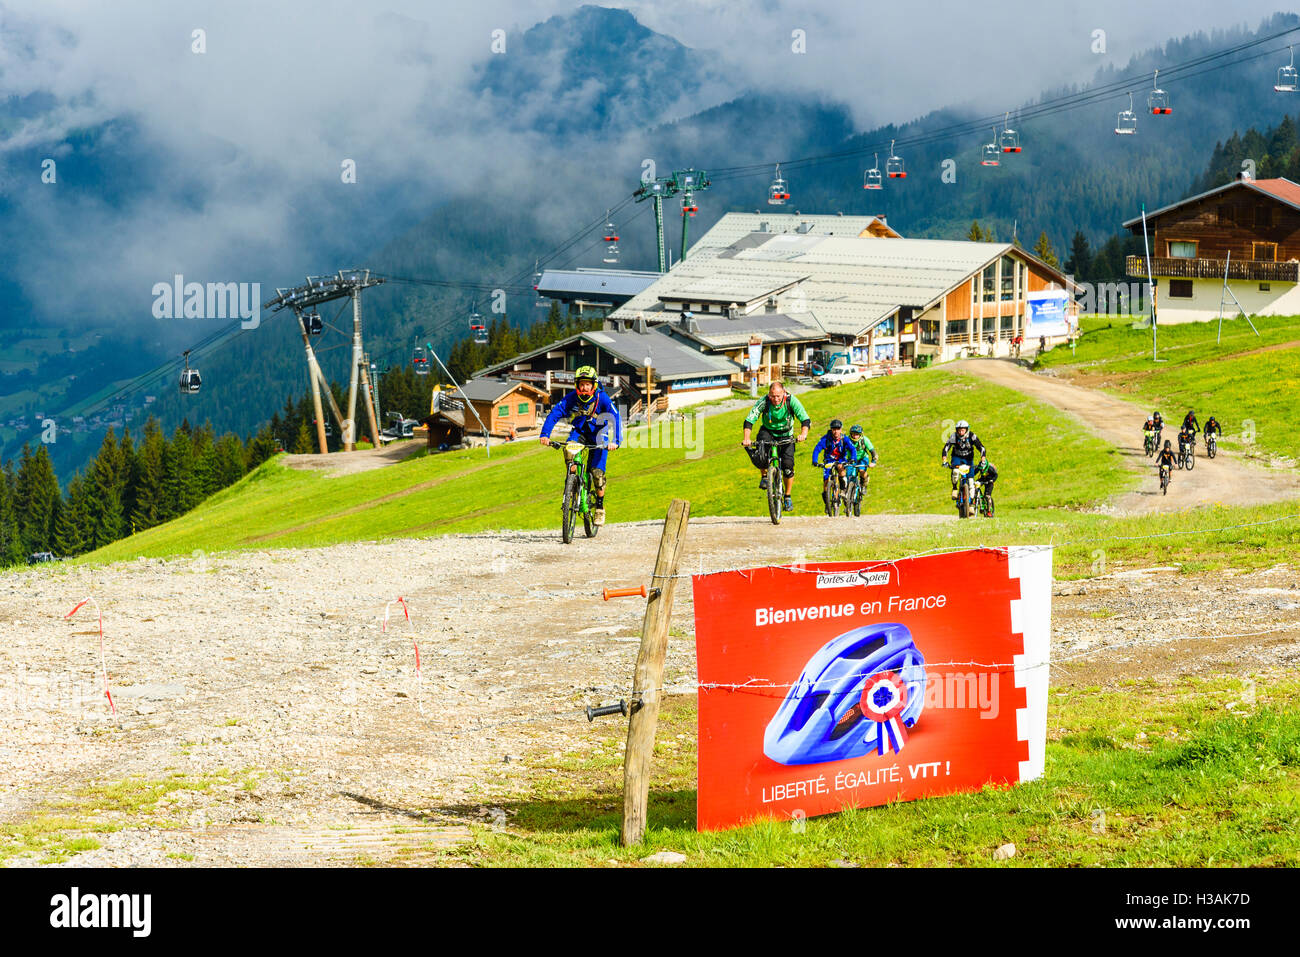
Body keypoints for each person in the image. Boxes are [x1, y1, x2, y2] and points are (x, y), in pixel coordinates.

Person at [539, 366, 621, 525]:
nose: (584, 387)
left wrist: (616, 441)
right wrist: (545, 434)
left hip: (599, 436)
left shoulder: (602, 398)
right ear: (577, 385)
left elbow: (616, 418)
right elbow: (555, 413)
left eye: (587, 384)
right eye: (581, 384)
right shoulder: (571, 398)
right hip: (579, 433)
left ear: (594, 385)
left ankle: (599, 507)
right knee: (569, 450)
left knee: (597, 474)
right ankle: (572, 481)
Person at [742, 380, 811, 513]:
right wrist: (746, 438)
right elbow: (750, 419)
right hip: (768, 431)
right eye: (773, 396)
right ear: (769, 395)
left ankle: (787, 496)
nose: (776, 399)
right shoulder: (764, 401)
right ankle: (764, 476)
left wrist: (803, 434)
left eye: (778, 396)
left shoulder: (792, 401)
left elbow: (805, 419)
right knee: (760, 454)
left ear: (784, 393)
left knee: (788, 466)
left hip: (786, 434)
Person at [812, 419, 858, 515]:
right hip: (828, 461)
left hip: (840, 460)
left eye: (838, 429)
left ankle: (842, 490)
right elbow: (817, 449)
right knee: (825, 483)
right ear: (831, 429)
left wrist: (853, 458)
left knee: (841, 469)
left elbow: (852, 449)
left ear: (841, 429)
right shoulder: (826, 438)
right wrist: (815, 461)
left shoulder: (844, 439)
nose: (835, 431)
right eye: (833, 429)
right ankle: (827, 503)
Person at [941, 420, 987, 499]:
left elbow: (981, 448)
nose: (961, 432)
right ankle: (955, 488)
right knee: (955, 471)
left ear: (966, 430)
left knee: (971, 481)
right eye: (959, 430)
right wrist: (944, 460)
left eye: (962, 430)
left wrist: (983, 459)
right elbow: (946, 448)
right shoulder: (954, 436)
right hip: (957, 458)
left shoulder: (972, 436)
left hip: (968, 459)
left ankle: (971, 504)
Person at [848, 424, 878, 495]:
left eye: (857, 434)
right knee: (848, 475)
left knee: (862, 471)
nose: (855, 436)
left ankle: (864, 485)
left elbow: (873, 453)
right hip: (851, 459)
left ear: (860, 434)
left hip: (863, 458)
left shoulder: (865, 440)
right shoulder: (847, 440)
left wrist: (873, 462)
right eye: (853, 434)